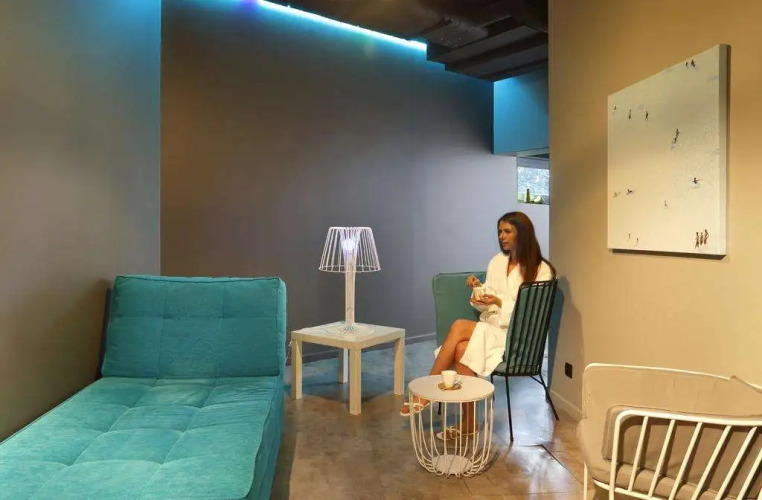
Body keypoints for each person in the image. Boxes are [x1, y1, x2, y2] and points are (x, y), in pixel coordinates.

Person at [399, 211, 555, 438]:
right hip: (491, 328)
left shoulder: (541, 270)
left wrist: (498, 302)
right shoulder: (497, 261)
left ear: (523, 233)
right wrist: (479, 291)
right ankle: (469, 423)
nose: (501, 236)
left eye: (507, 231)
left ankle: (428, 389)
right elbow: (489, 298)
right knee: (462, 349)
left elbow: (532, 313)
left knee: (459, 326)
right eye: (500, 231)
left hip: (515, 336)